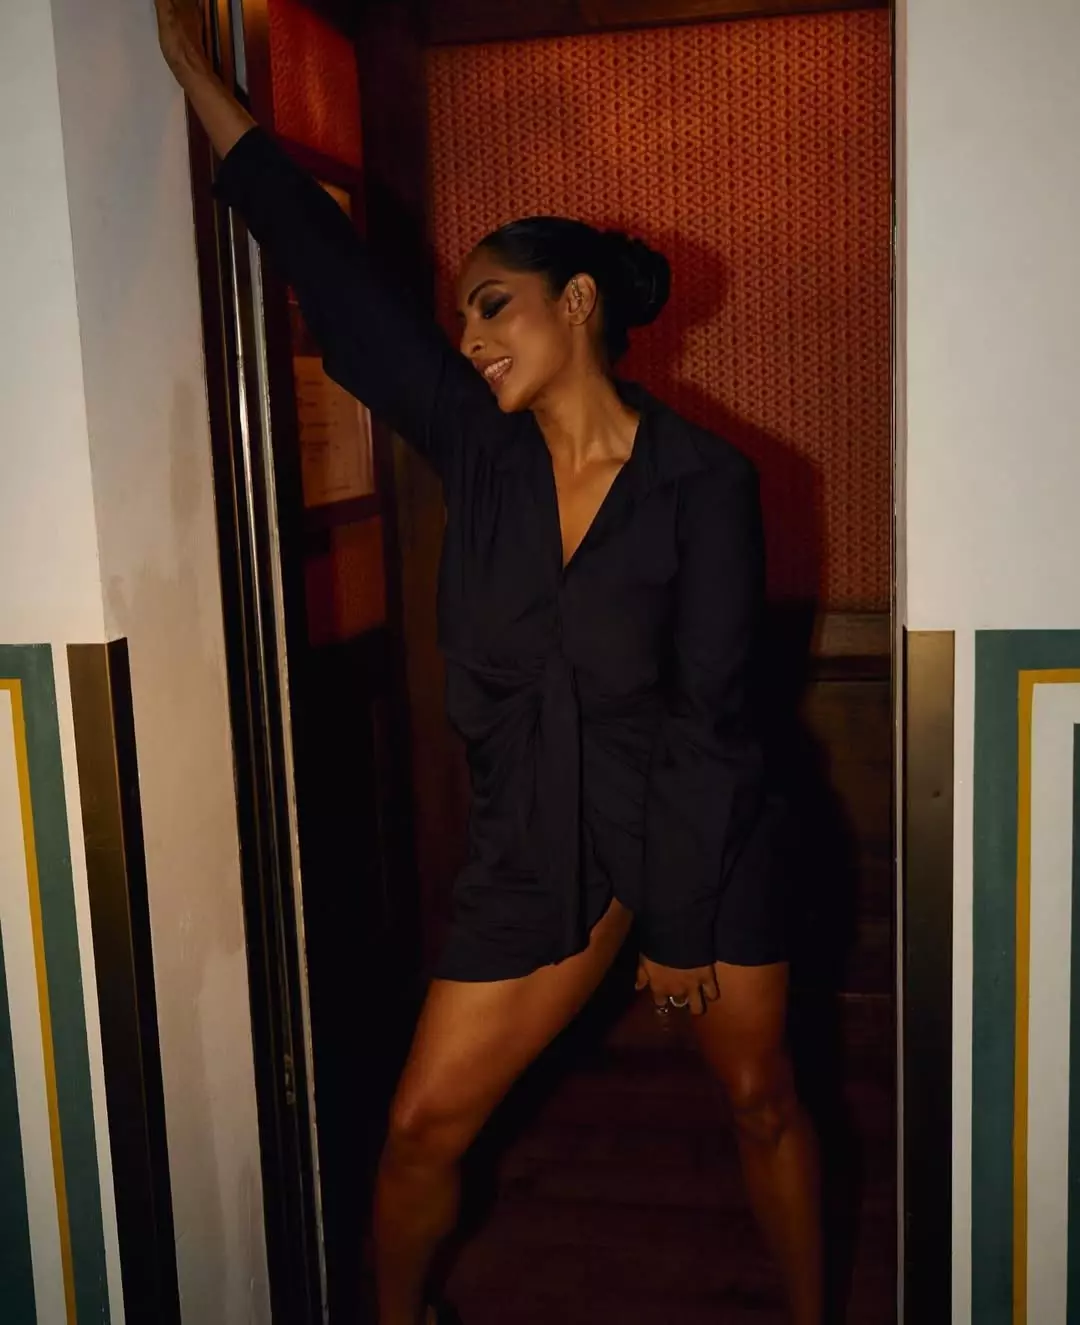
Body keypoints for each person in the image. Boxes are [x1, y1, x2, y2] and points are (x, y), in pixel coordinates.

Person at [154, 2, 822, 1321]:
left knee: (757, 1098)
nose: (469, 338)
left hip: (702, 832)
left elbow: (715, 721)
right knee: (421, 1129)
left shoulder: (707, 482)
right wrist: (197, 76)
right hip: (534, 841)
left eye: (493, 305)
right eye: (463, 316)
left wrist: (680, 928)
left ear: (578, 304)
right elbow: (336, 276)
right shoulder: (479, 445)